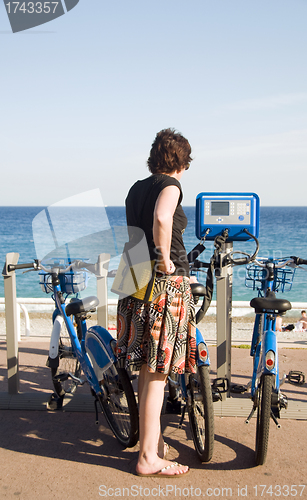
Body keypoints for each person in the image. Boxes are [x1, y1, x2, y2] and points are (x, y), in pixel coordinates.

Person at [116, 128, 196, 477]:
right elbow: (163, 218)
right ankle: (148, 457)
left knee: (147, 370)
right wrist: (165, 259)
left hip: (134, 281)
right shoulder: (172, 186)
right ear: (182, 161)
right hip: (162, 285)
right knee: (159, 370)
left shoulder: (135, 188)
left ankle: (151, 443)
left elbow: (138, 231)